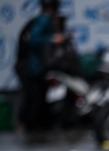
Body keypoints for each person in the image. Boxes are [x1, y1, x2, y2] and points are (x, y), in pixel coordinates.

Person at [15, 0, 66, 132]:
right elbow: (33, 38)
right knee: (33, 98)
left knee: (36, 98)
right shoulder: (44, 20)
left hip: (34, 68)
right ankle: (27, 126)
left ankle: (31, 126)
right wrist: (52, 39)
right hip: (32, 68)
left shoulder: (44, 19)